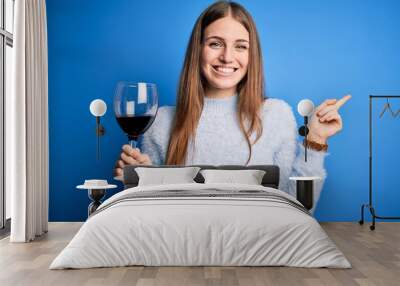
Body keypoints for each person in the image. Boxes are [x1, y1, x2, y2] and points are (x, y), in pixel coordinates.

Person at [113, 1, 350, 213]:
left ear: (251, 55)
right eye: (216, 44)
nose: (227, 57)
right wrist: (140, 181)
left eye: (240, 46)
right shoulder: (162, 121)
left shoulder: (276, 115)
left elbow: (297, 208)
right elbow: (154, 213)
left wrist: (316, 140)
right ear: (198, 49)